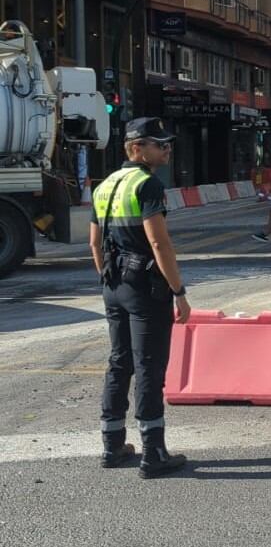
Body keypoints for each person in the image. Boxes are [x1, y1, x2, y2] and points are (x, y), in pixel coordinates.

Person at [89, 117, 190, 479]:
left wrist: (107, 279)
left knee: (119, 361)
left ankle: (112, 445)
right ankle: (154, 452)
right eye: (158, 144)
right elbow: (159, 243)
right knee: (148, 364)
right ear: (136, 149)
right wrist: (178, 292)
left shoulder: (105, 186)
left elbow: (94, 243)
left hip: (113, 283)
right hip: (145, 287)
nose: (166, 149)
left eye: (166, 143)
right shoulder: (148, 185)